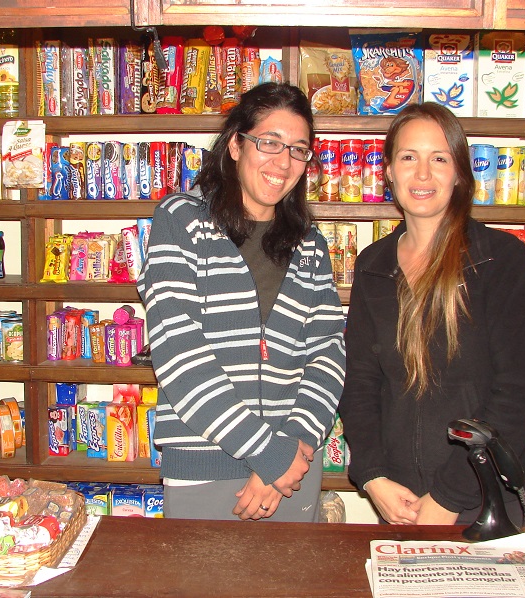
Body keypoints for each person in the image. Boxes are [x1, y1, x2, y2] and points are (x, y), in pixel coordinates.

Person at [136, 82, 346, 522]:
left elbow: (328, 353)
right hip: (205, 466)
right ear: (235, 144)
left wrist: (294, 445)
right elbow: (179, 354)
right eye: (269, 142)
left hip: (294, 470)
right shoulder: (180, 220)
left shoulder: (310, 244)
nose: (283, 162)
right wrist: (266, 451)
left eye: (298, 150)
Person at [338, 102, 525, 526]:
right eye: (408, 157)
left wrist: (448, 498)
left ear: (460, 173)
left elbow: (515, 397)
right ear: (389, 171)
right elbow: (360, 384)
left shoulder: (500, 259)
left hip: (480, 503)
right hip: (399, 502)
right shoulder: (373, 266)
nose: (423, 174)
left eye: (439, 158)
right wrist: (373, 476)